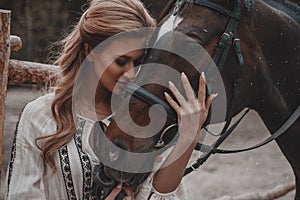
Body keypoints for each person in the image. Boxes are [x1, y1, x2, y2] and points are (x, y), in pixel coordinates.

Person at [5, 0, 216, 199]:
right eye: (121, 61)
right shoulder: (41, 116)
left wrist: (187, 139)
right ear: (91, 51)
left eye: (139, 61)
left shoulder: (142, 118)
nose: (131, 74)